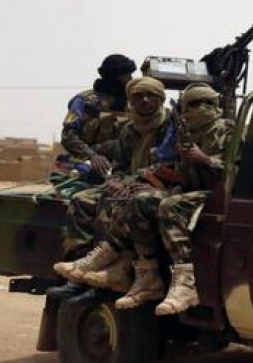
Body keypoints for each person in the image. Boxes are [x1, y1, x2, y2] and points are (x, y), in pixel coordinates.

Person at [54, 76, 177, 294]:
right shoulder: (130, 129)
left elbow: (167, 164)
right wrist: (115, 179)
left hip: (159, 185)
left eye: (150, 96)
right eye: (138, 96)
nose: (145, 101)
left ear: (160, 99)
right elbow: (120, 165)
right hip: (130, 183)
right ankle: (79, 269)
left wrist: (130, 181)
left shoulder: (171, 126)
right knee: (82, 200)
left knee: (113, 207)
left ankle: (117, 271)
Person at [149, 83, 234, 315]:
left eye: (206, 104)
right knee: (143, 201)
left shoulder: (226, 130)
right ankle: (146, 274)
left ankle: (186, 278)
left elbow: (240, 169)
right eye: (194, 104)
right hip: (193, 190)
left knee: (170, 207)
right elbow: (182, 171)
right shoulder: (185, 133)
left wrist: (205, 158)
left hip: (220, 193)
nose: (200, 109)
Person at [57, 54, 136, 257]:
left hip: (122, 167)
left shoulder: (134, 103)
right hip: (88, 161)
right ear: (113, 76)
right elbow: (68, 135)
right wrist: (92, 155)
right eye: (126, 75)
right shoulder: (85, 101)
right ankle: (79, 256)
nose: (130, 79)